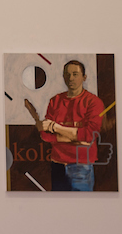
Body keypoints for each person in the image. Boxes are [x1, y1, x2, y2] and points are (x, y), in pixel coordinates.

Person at [39, 60, 104, 192]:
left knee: (81, 208)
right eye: (67, 74)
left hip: (81, 166)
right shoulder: (55, 100)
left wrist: (55, 128)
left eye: (75, 74)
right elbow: (45, 135)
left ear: (84, 77)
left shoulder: (93, 102)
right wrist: (77, 138)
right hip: (57, 164)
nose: (71, 78)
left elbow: (89, 135)